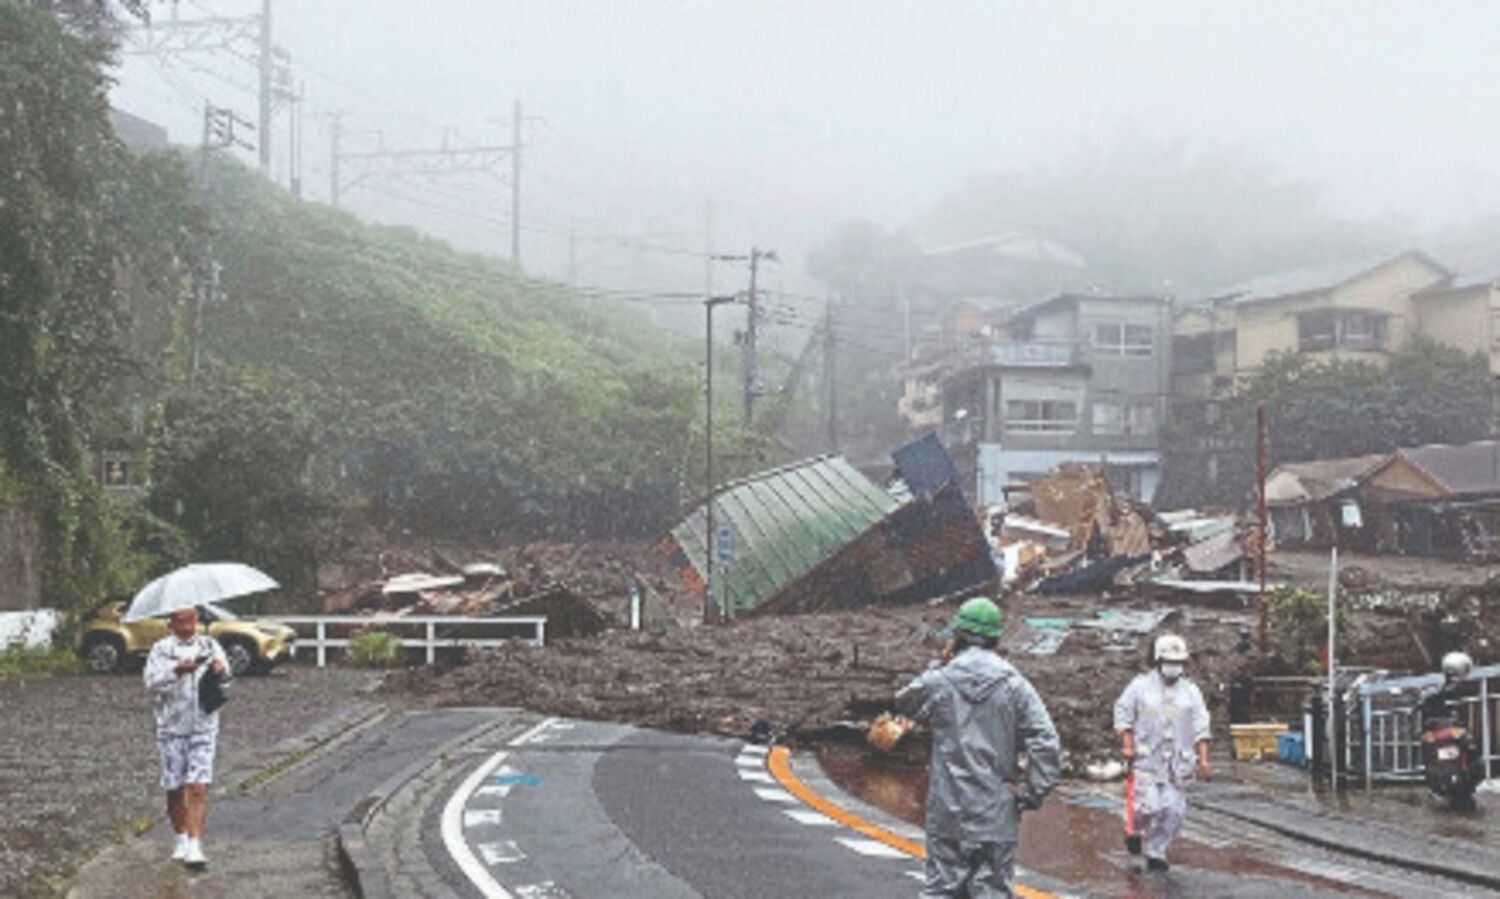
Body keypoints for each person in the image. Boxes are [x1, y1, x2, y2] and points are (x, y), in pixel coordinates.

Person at [896, 597, 1060, 898]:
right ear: (996, 638)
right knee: (993, 891)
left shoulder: (941, 680)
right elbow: (1046, 741)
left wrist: (939, 664)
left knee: (942, 890)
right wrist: (1031, 794)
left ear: (957, 635)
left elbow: (906, 701)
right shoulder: (1015, 685)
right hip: (996, 813)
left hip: (949, 811)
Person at [1114, 633, 1211, 873]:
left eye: (1178, 662)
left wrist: (1204, 760)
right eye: (1169, 661)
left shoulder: (1191, 692)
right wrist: (1127, 744)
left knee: (1173, 811)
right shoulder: (1140, 686)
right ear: (1158, 660)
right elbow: (1123, 713)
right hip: (1147, 759)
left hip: (1178, 763)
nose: (1173, 666)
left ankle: (1157, 851)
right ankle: (1134, 831)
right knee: (1148, 806)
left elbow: (1201, 726)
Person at [143, 606, 230, 870]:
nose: (187, 627)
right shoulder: (161, 650)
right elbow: (150, 683)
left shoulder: (209, 645)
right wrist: (176, 671)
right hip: (171, 727)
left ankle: (195, 845)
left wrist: (219, 671)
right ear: (170, 623)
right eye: (181, 622)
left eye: (191, 621)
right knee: (175, 786)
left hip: (204, 725)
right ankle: (180, 837)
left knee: (198, 785)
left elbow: (227, 681)